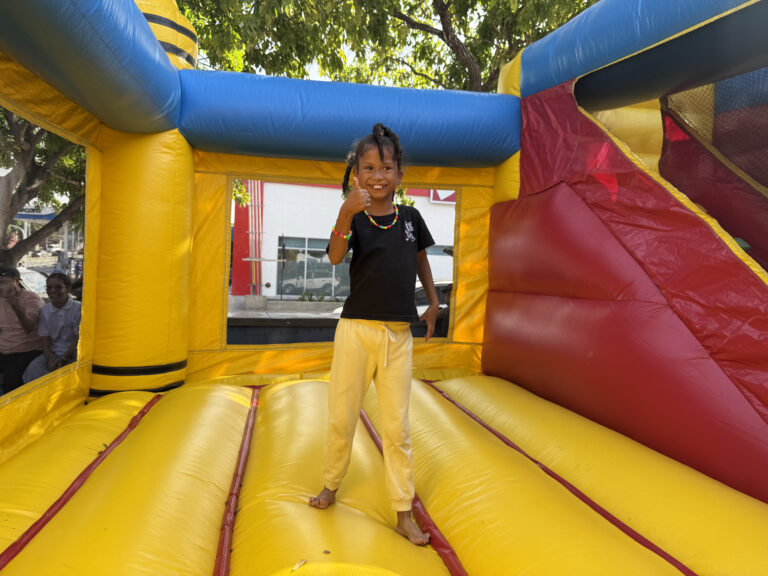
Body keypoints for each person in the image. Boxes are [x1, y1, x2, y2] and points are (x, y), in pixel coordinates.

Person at [309, 124, 439, 546]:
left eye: (386, 167)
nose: (377, 175)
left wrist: (433, 301)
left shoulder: (411, 218)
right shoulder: (357, 219)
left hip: (397, 336)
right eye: (368, 167)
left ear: (400, 174)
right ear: (356, 174)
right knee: (342, 415)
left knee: (397, 427)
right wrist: (345, 213)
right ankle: (330, 483)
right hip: (356, 331)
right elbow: (333, 257)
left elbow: (420, 260)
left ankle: (403, 510)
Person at [23, 272, 81, 383]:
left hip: (75, 355)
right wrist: (50, 357)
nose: (53, 291)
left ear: (67, 289)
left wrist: (64, 358)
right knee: (33, 369)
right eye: (49, 287)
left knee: (67, 378)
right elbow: (45, 337)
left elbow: (78, 338)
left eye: (58, 287)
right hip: (53, 353)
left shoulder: (78, 309)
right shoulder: (45, 310)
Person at [0, 266, 44, 394]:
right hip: (5, 349)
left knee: (11, 386)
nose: (0, 287)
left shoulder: (31, 299)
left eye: (2, 282)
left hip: (26, 350)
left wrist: (16, 308)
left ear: (16, 281)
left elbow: (29, 327)